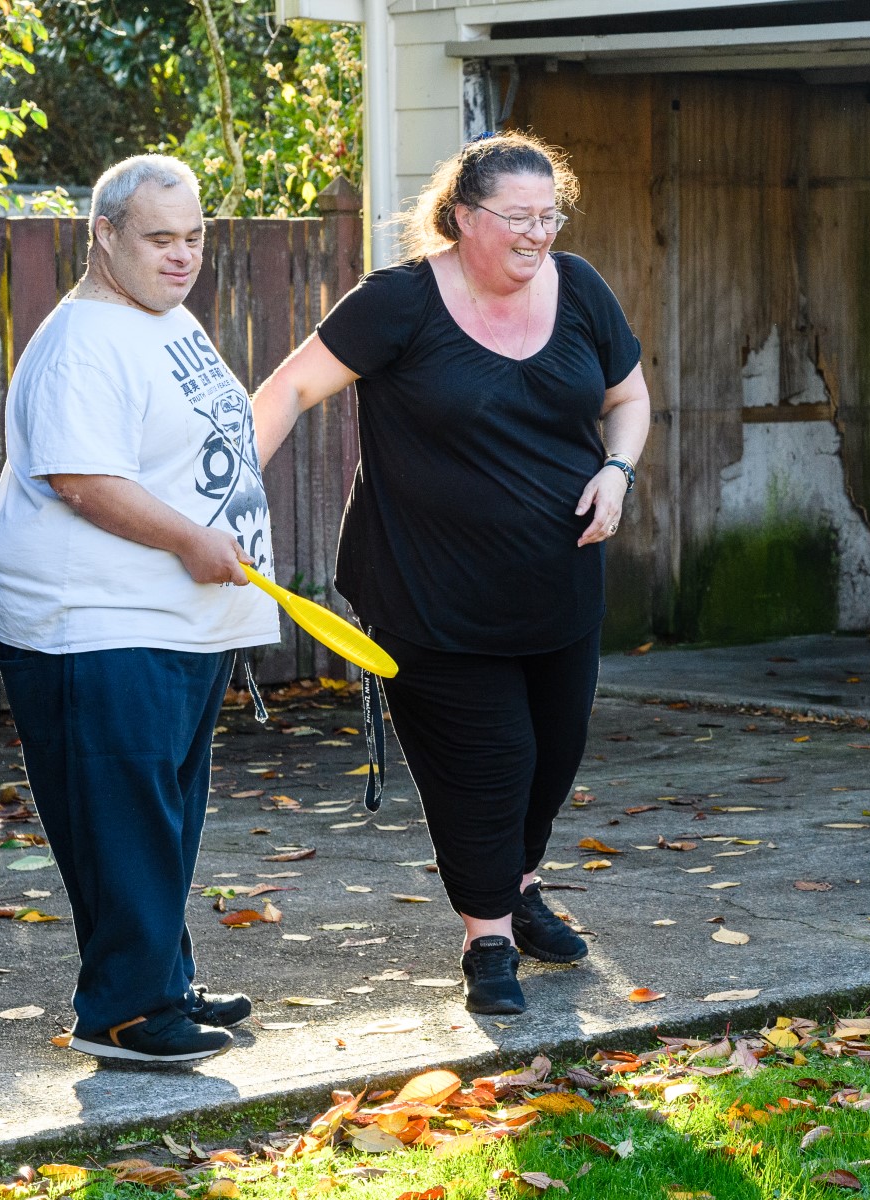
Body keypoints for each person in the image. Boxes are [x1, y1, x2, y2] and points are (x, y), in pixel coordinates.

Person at [252, 132, 651, 1015]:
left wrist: (616, 472)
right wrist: (229, 507)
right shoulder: (398, 303)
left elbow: (628, 398)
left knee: (551, 760)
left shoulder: (580, 288)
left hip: (560, 587)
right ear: (462, 217)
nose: (537, 234)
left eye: (550, 215)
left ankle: (521, 887)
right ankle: (488, 941)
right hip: (429, 593)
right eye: (517, 217)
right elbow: (285, 391)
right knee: (489, 763)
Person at [0, 155, 278, 1063]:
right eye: (160, 238)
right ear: (104, 235)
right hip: (98, 627)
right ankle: (123, 1014)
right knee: (121, 818)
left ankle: (160, 977)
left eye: (194, 236)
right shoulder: (82, 341)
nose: (183, 254)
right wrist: (191, 541)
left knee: (163, 817)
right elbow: (81, 477)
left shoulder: (159, 317)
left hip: (173, 624)